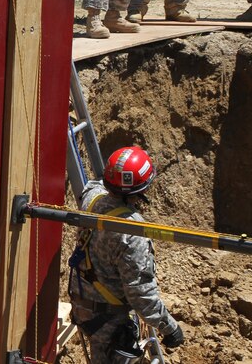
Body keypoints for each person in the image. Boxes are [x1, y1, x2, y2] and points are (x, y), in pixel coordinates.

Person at [69, 147, 185, 362]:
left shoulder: (91, 198)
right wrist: (170, 328)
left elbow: (94, 184)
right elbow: (141, 296)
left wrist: (117, 170)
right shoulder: (132, 234)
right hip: (108, 321)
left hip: (82, 306)